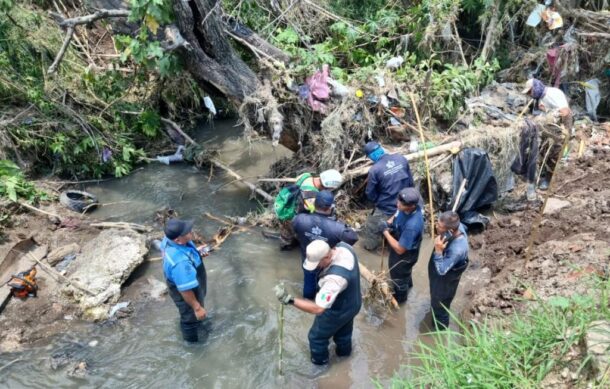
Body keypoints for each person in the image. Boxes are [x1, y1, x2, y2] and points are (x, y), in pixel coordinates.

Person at [274, 240, 362, 365]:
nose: (316, 267)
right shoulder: (344, 247)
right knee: (343, 334)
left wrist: (289, 299)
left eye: (318, 263)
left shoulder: (335, 279)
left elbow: (318, 309)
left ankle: (320, 366)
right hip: (353, 303)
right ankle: (345, 358)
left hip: (339, 310)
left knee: (316, 338)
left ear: (327, 256)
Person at [293, 190, 359, 299]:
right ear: (330, 208)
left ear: (314, 204)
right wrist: (342, 224)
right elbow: (353, 238)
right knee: (326, 286)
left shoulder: (299, 220)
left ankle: (308, 302)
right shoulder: (337, 228)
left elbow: (295, 227)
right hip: (327, 263)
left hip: (309, 259)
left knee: (309, 281)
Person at [161, 219, 210, 342]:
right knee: (189, 317)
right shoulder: (181, 263)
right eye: (187, 231)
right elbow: (185, 290)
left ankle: (198, 320)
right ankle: (193, 346)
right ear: (178, 239)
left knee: (193, 313)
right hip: (185, 290)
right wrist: (197, 308)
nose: (191, 231)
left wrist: (196, 253)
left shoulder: (169, 240)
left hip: (185, 277)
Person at [361, 141, 414, 251]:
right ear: (381, 149)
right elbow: (411, 182)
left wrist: (378, 202)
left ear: (371, 156)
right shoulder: (401, 158)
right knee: (402, 225)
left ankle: (370, 247)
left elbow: (370, 193)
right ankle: (398, 241)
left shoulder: (375, 170)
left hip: (387, 207)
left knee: (372, 227)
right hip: (406, 204)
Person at [522, 78, 572, 190]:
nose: (530, 95)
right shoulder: (539, 99)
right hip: (550, 124)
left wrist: (551, 115)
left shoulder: (553, 93)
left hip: (562, 123)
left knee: (556, 151)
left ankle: (550, 179)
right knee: (544, 148)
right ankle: (545, 173)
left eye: (530, 91)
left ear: (536, 88)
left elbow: (565, 112)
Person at [379, 187, 424, 303]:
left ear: (412, 206)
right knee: (405, 276)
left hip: (405, 256)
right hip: (403, 242)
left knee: (399, 278)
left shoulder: (412, 226)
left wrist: (385, 232)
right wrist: (388, 223)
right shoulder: (409, 204)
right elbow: (397, 213)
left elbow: (400, 249)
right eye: (398, 201)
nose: (397, 204)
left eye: (401, 204)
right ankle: (408, 285)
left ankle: (401, 300)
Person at [279, 169, 344, 250]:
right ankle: (287, 245)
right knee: (288, 237)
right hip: (290, 215)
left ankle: (288, 241)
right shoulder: (310, 195)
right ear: (327, 186)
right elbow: (316, 213)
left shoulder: (306, 175)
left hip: (286, 205)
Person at [428, 211, 469, 330]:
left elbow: (441, 270)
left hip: (445, 284)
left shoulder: (457, 250)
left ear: (450, 231)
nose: (436, 227)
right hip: (438, 281)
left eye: (439, 227)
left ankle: (439, 332)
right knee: (435, 303)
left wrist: (438, 251)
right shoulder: (458, 226)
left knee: (441, 308)